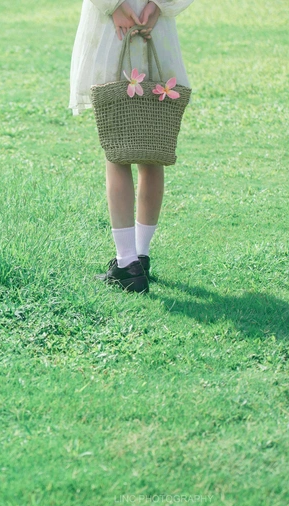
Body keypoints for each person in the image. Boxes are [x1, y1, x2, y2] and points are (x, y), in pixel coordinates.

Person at [69, 0, 195, 293]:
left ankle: (127, 263)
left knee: (118, 152)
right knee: (151, 148)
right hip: (154, 28)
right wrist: (156, 6)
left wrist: (113, 5)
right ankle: (140, 255)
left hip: (112, 31)